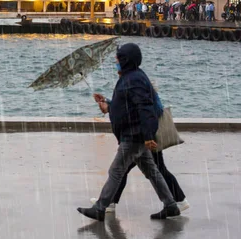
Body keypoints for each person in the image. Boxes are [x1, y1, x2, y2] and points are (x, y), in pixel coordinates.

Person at [77, 44, 181, 221]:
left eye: (118, 59)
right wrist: (107, 105)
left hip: (134, 136)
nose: (115, 62)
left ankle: (100, 208)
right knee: (152, 171)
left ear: (125, 60)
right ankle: (171, 205)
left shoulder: (134, 79)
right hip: (135, 134)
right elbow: (126, 107)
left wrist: (148, 136)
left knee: (116, 171)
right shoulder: (130, 77)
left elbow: (145, 107)